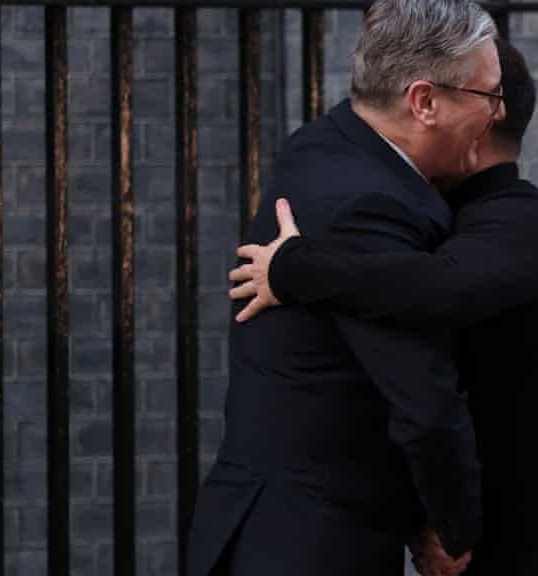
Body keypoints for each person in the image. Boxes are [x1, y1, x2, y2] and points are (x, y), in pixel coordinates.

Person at [228, 39, 538, 576]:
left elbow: (437, 287)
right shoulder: (480, 221)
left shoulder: (526, 229)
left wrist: (293, 269)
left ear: (486, 119)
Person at [185, 2, 502, 574]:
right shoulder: (368, 203)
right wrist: (454, 528)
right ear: (424, 101)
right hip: (308, 544)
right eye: (488, 95)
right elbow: (423, 400)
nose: (498, 115)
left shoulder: (328, 146)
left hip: (275, 528)